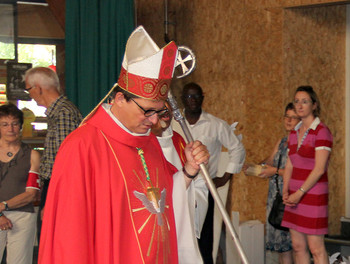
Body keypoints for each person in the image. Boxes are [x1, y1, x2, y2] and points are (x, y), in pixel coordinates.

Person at [38, 26, 209, 264]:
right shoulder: (82, 146)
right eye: (147, 111)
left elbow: (161, 199)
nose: (154, 121)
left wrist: (189, 170)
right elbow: (69, 235)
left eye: (159, 112)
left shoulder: (148, 143)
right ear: (120, 99)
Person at [172, 82, 246, 263]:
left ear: (202, 99)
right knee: (180, 235)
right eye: (189, 96)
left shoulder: (216, 125)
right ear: (182, 99)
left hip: (205, 190)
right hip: (179, 188)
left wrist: (226, 176)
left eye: (197, 96)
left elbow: (237, 149)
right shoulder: (173, 124)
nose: (193, 100)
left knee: (204, 240)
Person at [24, 67, 82, 224]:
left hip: (59, 188)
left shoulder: (64, 113)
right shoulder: (58, 113)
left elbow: (66, 163)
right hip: (55, 186)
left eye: (29, 89)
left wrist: (53, 200)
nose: (30, 95)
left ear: (38, 88)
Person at [151, 102, 208, 264]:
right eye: (158, 105)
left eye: (167, 104)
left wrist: (193, 201)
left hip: (182, 224)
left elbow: (200, 184)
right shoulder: (141, 144)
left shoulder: (180, 141)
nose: (164, 110)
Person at [282, 86, 333, 264]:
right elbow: (289, 164)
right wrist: (286, 190)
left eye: (305, 101)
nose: (300, 105)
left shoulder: (321, 131)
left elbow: (319, 169)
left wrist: (300, 193)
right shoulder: (294, 132)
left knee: (316, 248)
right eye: (297, 101)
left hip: (312, 195)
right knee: (297, 246)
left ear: (314, 105)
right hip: (294, 195)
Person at [256, 102, 300, 264]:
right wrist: (254, 167)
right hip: (276, 198)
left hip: (291, 198)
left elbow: (299, 174)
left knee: (294, 246)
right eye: (286, 116)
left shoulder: (301, 143)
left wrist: (273, 171)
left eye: (293, 117)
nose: (289, 120)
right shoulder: (282, 142)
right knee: (282, 248)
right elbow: (270, 161)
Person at [0, 103, 41, 264]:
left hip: (23, 216)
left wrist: (3, 206)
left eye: (15, 123)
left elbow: (31, 194)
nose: (10, 129)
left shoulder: (32, 155)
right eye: (5, 124)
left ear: (21, 126)